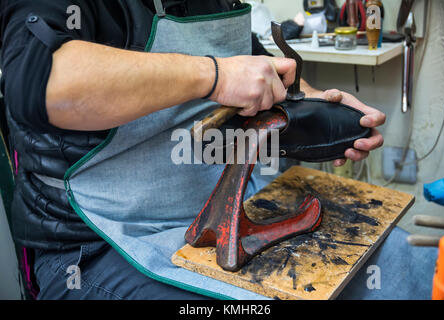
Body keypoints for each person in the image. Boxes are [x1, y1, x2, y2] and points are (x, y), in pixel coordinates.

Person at [0, 0, 390, 300]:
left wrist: (324, 108)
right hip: (94, 245)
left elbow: (259, 89)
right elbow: (45, 83)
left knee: (394, 264)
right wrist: (215, 75)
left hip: (223, 214)